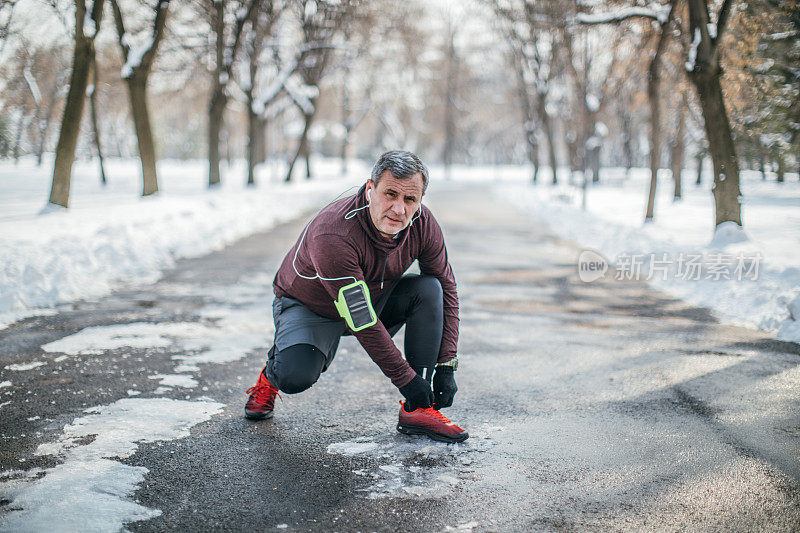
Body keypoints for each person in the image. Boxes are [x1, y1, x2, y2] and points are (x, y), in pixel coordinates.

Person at [244, 150, 467, 443]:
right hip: (312, 306)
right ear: (369, 188)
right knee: (295, 376)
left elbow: (446, 286)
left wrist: (445, 364)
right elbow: (360, 318)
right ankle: (271, 375)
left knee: (430, 289)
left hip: (374, 297)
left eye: (410, 200)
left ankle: (419, 410)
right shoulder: (333, 233)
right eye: (390, 194)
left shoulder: (422, 224)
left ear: (420, 201)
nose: (399, 209)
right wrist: (406, 380)